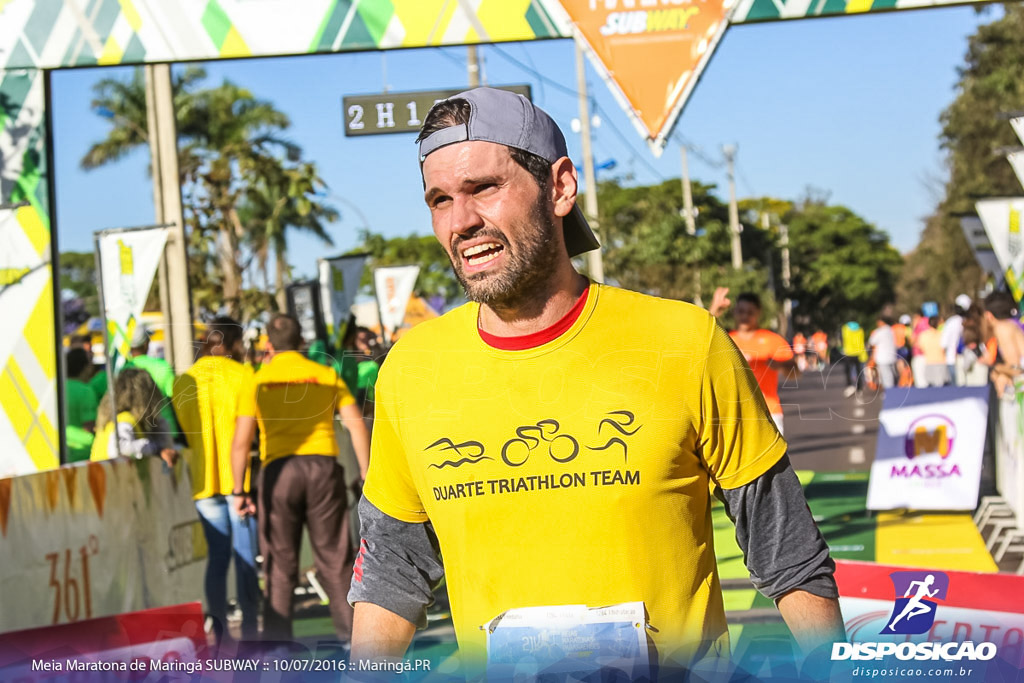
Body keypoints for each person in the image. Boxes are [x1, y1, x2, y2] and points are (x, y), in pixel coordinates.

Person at [347, 88, 844, 675]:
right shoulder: (412, 368)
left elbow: (787, 552)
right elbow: (392, 572)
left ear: (559, 187)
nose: (462, 221)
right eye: (440, 199)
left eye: (484, 188)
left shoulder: (684, 342)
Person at [230, 314, 370, 643]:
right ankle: (352, 642)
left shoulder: (257, 379)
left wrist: (239, 490)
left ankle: (278, 648)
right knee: (334, 559)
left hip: (278, 473)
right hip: (323, 468)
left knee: (279, 563)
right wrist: (365, 473)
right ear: (302, 342)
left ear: (268, 344)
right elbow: (356, 426)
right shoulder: (325, 375)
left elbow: (240, 443)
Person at [173, 316, 260, 645]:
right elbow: (245, 436)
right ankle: (251, 630)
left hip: (202, 483)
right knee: (245, 556)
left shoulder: (182, 381)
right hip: (237, 483)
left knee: (218, 557)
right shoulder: (243, 376)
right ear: (233, 343)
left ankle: (220, 629)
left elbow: (182, 434)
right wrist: (240, 489)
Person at [713, 292, 798, 435]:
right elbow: (698, 340)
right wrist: (714, 311)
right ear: (734, 312)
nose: (745, 316)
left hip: (768, 412)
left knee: (774, 457)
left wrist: (780, 365)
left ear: (758, 313)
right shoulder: (725, 339)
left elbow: (795, 372)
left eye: (750, 312)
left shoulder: (772, 339)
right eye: (741, 311)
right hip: (732, 414)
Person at [91, 368, 178, 466]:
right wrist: (156, 450)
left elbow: (166, 444)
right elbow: (119, 448)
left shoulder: (121, 419)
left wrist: (158, 422)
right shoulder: (124, 420)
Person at [983, 291, 1024, 398]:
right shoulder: (1014, 323)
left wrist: (997, 370)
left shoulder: (1002, 328)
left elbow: (1016, 368)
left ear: (989, 315)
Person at [65, 347, 98, 462]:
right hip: (83, 453)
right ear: (86, 368)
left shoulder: (58, 389)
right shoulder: (86, 391)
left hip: (62, 450)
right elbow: (89, 426)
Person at [941, 294, 971, 387]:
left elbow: (943, 343)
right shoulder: (971, 322)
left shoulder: (951, 322)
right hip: (966, 360)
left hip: (952, 360)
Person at [867, 314, 898, 390]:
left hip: (882, 358)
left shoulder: (878, 332)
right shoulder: (891, 330)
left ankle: (889, 393)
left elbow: (871, 342)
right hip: (892, 356)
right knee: (892, 374)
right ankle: (892, 391)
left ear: (881, 322)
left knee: (886, 376)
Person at [916, 317, 947, 387]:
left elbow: (920, 348)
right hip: (941, 363)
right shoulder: (942, 335)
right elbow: (944, 348)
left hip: (928, 363)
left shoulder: (923, 335)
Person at [841, 321, 868, 398]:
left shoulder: (845, 329)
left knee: (848, 371)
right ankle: (859, 389)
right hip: (858, 353)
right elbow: (861, 341)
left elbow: (843, 339)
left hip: (848, 353)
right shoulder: (860, 330)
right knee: (858, 371)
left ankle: (850, 386)